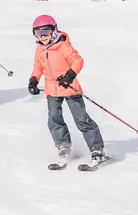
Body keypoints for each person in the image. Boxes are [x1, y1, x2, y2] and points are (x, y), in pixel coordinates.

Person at [27, 14, 104, 165]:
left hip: (70, 88)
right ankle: (63, 146)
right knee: (54, 119)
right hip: (52, 90)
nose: (42, 36)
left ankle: (97, 149)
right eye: (38, 33)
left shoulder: (63, 46)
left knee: (82, 119)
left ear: (54, 30)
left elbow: (78, 60)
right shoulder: (40, 50)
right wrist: (33, 80)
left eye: (46, 32)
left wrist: (69, 75)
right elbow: (38, 67)